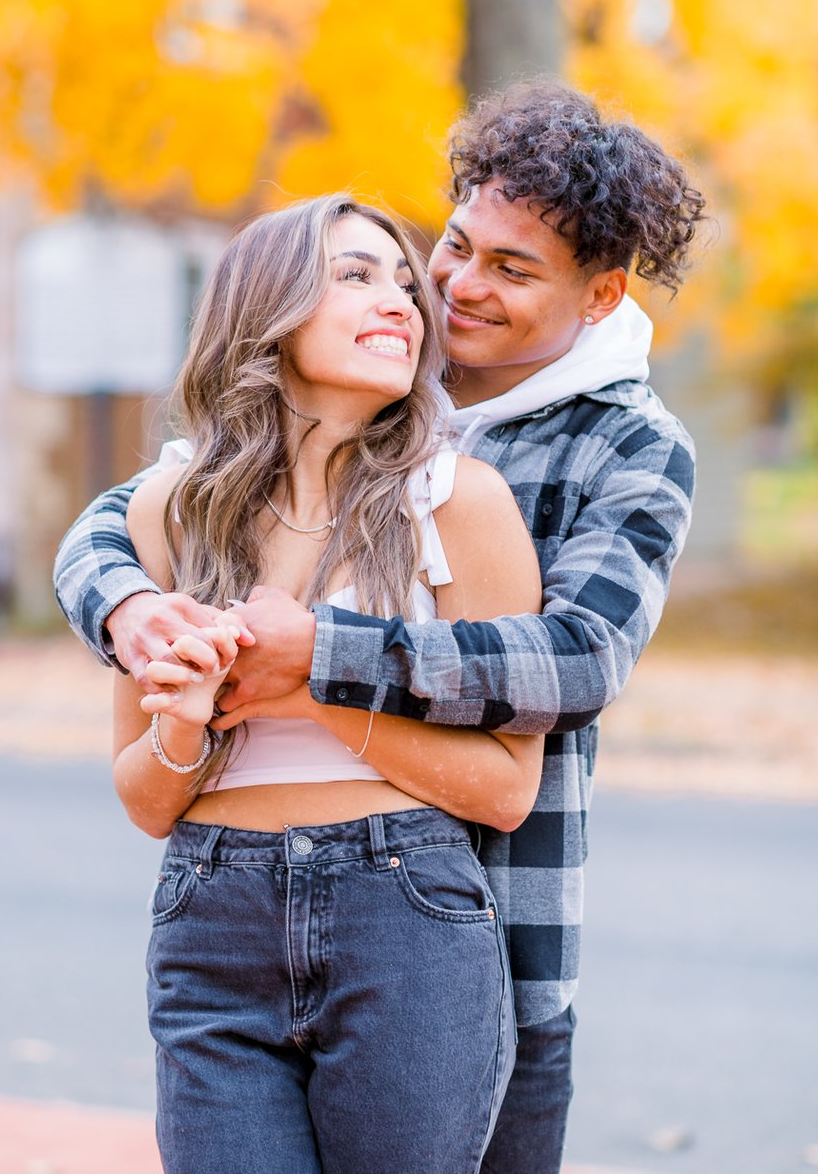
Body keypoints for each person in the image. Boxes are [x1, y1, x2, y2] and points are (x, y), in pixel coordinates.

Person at [55, 78, 705, 1174]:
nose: (450, 287)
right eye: (448, 248)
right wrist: (130, 612)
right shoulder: (380, 360)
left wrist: (320, 665)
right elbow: (114, 527)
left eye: (510, 270)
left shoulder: (620, 447)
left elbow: (577, 659)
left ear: (597, 299)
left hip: (481, 917)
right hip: (222, 904)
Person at [106, 193, 545, 1174]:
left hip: (407, 918)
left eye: (404, 282)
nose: (401, 300)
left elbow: (508, 791)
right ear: (264, 308)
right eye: (355, 274)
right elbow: (143, 799)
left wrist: (311, 689)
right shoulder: (171, 510)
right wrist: (183, 723)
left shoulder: (458, 504)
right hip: (210, 914)